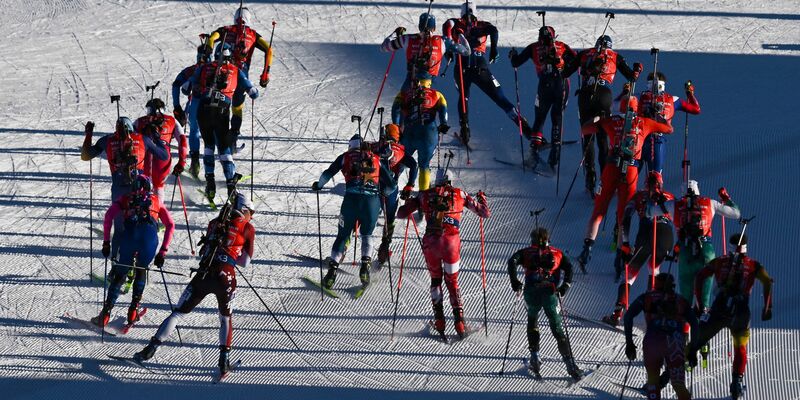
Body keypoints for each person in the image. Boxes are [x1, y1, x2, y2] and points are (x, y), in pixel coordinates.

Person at [133, 193, 256, 376]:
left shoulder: (215, 222)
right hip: (226, 277)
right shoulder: (248, 228)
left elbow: (205, 251)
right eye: (251, 213)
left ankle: (150, 349)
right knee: (225, 318)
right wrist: (230, 256)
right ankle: (223, 362)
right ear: (244, 210)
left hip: (204, 274)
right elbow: (245, 262)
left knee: (178, 313)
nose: (251, 217)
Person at [576, 102, 673, 271]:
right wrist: (656, 116)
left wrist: (596, 118)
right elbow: (669, 129)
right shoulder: (645, 122)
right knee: (623, 215)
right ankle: (621, 257)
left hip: (611, 167)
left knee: (599, 211)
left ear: (621, 108)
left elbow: (585, 129)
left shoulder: (611, 121)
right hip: (631, 170)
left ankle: (587, 249)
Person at [396, 170, 490, 337]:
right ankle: (460, 323)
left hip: (431, 242)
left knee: (436, 280)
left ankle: (439, 321)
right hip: (451, 243)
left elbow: (401, 214)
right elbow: (484, 213)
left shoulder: (425, 195)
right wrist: (482, 198)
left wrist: (410, 201)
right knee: (452, 281)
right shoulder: (460, 194)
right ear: (451, 181)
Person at [688, 234, 772, 400]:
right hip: (741, 313)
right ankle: (736, 384)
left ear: (731, 245)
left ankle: (666, 378)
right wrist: (767, 308)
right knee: (740, 348)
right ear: (746, 247)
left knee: (695, 343)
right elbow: (768, 282)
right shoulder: (754, 265)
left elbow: (700, 276)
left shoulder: (720, 261)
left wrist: (699, 303)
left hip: (719, 310)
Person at [443, 2, 535, 145]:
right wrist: (493, 49)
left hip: (463, 67)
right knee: (500, 99)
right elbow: (493, 30)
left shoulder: (458, 24)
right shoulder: (479, 25)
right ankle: (530, 133)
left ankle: (464, 130)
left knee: (464, 98)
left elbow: (447, 25)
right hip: (478, 67)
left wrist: (449, 44)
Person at [312, 135, 396, 288]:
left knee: (343, 235)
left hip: (351, 201)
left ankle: (331, 273)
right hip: (372, 203)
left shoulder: (345, 157)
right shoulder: (376, 159)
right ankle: (365, 268)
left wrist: (319, 185)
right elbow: (391, 185)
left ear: (350, 146)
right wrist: (383, 193)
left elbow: (328, 173)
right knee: (367, 235)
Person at [92, 175, 175, 327]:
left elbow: (109, 216)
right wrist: (163, 251)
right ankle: (133, 311)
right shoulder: (156, 201)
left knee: (120, 273)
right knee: (141, 270)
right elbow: (170, 224)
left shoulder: (126, 198)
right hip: (149, 240)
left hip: (129, 237)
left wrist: (106, 242)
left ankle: (105, 314)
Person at [562, 35, 640, 194]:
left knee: (588, 137)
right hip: (604, 95)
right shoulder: (615, 56)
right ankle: (605, 180)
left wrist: (569, 59)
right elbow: (632, 77)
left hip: (585, 95)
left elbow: (565, 73)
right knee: (603, 137)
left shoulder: (585, 53)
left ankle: (589, 180)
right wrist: (637, 69)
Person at [184, 43, 259, 200]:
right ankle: (231, 185)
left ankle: (210, 184)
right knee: (224, 148)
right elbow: (253, 92)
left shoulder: (203, 68)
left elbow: (186, 87)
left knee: (209, 146)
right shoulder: (236, 70)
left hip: (203, 111)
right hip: (222, 112)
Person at [507, 227, 581, 380]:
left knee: (532, 320)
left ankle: (535, 356)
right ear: (548, 240)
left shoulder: (526, 252)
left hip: (531, 292)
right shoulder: (557, 253)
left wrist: (515, 281)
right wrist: (565, 286)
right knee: (556, 325)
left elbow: (512, 261)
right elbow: (569, 267)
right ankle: (570, 363)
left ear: (532, 240)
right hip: (550, 293)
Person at [603, 171, 675, 326]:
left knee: (629, 274)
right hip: (667, 235)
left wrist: (626, 243)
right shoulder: (669, 196)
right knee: (654, 269)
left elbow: (626, 218)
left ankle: (618, 311)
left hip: (647, 232)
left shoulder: (639, 196)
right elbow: (680, 216)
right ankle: (652, 314)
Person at [204, 7, 273, 150]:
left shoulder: (226, 29)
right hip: (241, 77)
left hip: (223, 74)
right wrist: (265, 73)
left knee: (220, 105)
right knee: (236, 107)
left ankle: (215, 140)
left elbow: (211, 39)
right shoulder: (253, 34)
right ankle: (232, 140)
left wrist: (209, 50)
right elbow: (269, 50)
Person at [509, 25, 577, 169]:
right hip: (562, 83)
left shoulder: (534, 47)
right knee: (557, 118)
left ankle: (533, 154)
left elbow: (516, 62)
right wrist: (563, 64)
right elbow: (577, 61)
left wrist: (513, 55)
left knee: (540, 117)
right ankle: (554, 158)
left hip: (545, 84)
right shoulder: (561, 46)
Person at [624, 273, 697, 400]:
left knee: (653, 383)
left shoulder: (646, 297)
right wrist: (693, 349)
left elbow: (628, 316)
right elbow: (695, 324)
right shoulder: (681, 300)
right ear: (672, 286)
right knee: (679, 385)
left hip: (652, 342)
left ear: (656, 284)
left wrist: (629, 343)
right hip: (675, 343)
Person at [673, 181, 740, 310]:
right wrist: (726, 199)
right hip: (705, 249)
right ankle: (704, 316)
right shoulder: (710, 203)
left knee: (685, 298)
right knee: (704, 294)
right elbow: (736, 214)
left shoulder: (675, 205)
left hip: (685, 250)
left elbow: (649, 211)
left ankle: (685, 324)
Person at [620, 73, 701, 173]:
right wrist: (690, 93)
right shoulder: (672, 99)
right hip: (650, 139)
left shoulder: (639, 96)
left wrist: (625, 93)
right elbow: (696, 109)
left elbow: (620, 107)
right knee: (646, 175)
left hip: (640, 139)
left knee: (634, 175)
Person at [81, 117, 169, 201]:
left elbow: (85, 155)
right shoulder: (143, 139)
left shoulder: (107, 140)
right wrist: (156, 137)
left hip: (118, 188)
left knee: (118, 214)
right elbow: (164, 156)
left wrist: (89, 135)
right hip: (138, 186)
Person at [380, 12, 469, 89]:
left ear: (419, 26)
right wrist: (461, 36)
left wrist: (395, 34)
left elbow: (384, 47)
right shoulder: (443, 41)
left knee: (401, 102)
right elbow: (466, 51)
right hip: (431, 82)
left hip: (411, 80)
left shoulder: (406, 39)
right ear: (434, 28)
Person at [391, 79, 448, 191]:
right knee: (424, 165)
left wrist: (396, 125)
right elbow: (443, 110)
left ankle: (391, 185)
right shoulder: (437, 94)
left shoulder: (404, 93)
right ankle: (423, 194)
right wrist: (443, 124)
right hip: (429, 132)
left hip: (410, 131)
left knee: (400, 159)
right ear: (429, 83)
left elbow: (395, 109)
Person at [374, 124, 418, 265]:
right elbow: (414, 165)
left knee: (361, 217)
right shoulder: (402, 151)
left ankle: (343, 248)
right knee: (390, 219)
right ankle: (384, 247)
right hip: (391, 191)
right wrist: (410, 185)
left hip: (373, 188)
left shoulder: (376, 146)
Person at [134, 98, 188, 199]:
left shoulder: (140, 121)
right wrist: (182, 162)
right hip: (163, 158)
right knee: (158, 186)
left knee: (143, 186)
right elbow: (183, 141)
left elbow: (130, 137)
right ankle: (157, 211)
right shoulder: (171, 120)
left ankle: (144, 211)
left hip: (144, 159)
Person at [172, 43, 210, 179]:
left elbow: (176, 85)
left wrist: (177, 106)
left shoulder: (192, 69)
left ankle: (195, 164)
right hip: (215, 106)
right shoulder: (219, 68)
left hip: (195, 103)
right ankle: (224, 166)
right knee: (214, 134)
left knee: (195, 131)